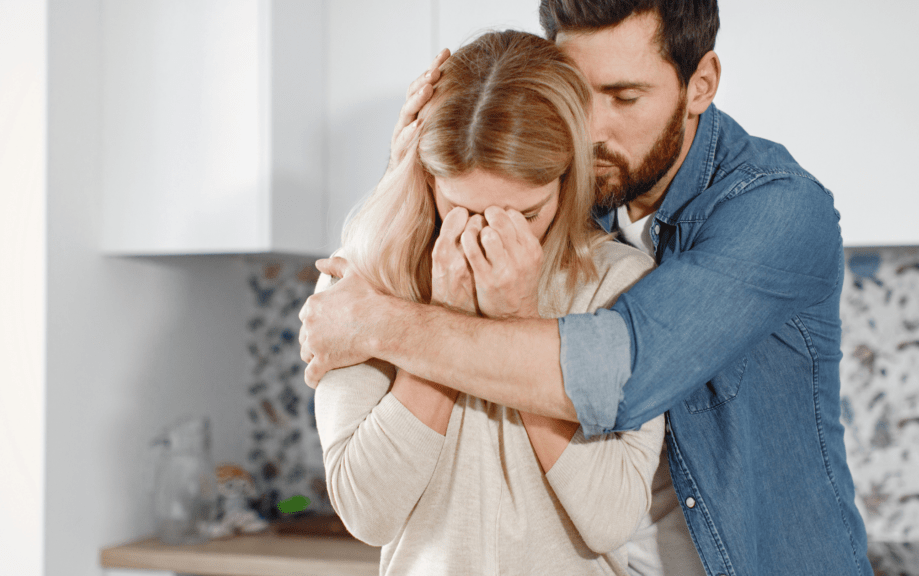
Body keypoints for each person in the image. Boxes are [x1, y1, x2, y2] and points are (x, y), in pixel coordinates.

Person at [301, 1, 874, 574]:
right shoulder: (576, 198)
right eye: (577, 94)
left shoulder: (778, 210)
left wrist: (375, 323)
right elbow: (486, 170)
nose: (592, 129)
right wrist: (414, 166)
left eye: (625, 97)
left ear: (700, 85)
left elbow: (611, 373)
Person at [314, 30, 668, 575]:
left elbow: (610, 517)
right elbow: (368, 512)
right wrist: (444, 317)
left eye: (522, 215)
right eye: (461, 207)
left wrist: (520, 322)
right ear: (427, 177)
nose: (486, 237)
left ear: (567, 179)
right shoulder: (365, 281)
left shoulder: (622, 284)